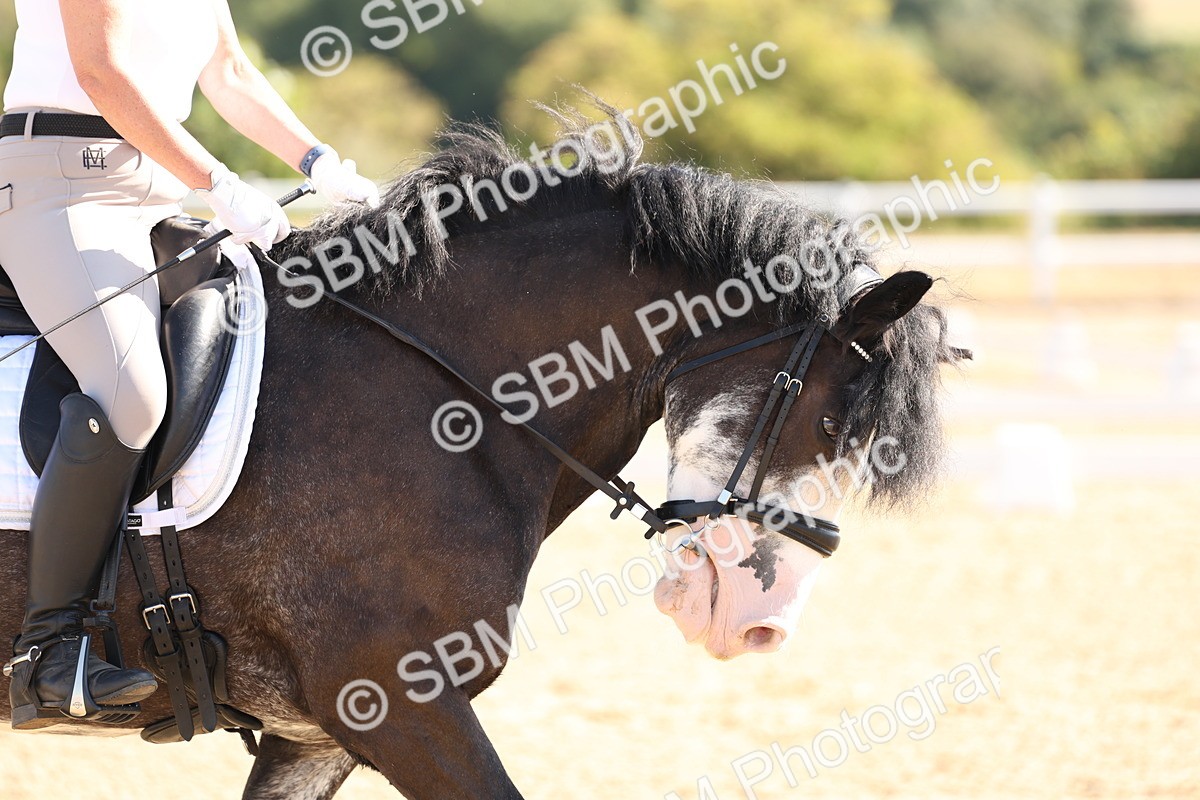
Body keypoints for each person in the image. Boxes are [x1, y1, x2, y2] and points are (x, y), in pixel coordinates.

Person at [0, 0, 380, 730]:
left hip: (151, 196)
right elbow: (102, 73)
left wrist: (320, 163)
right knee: (131, 392)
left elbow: (231, 73)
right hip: (58, 187)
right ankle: (47, 656)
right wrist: (220, 183)